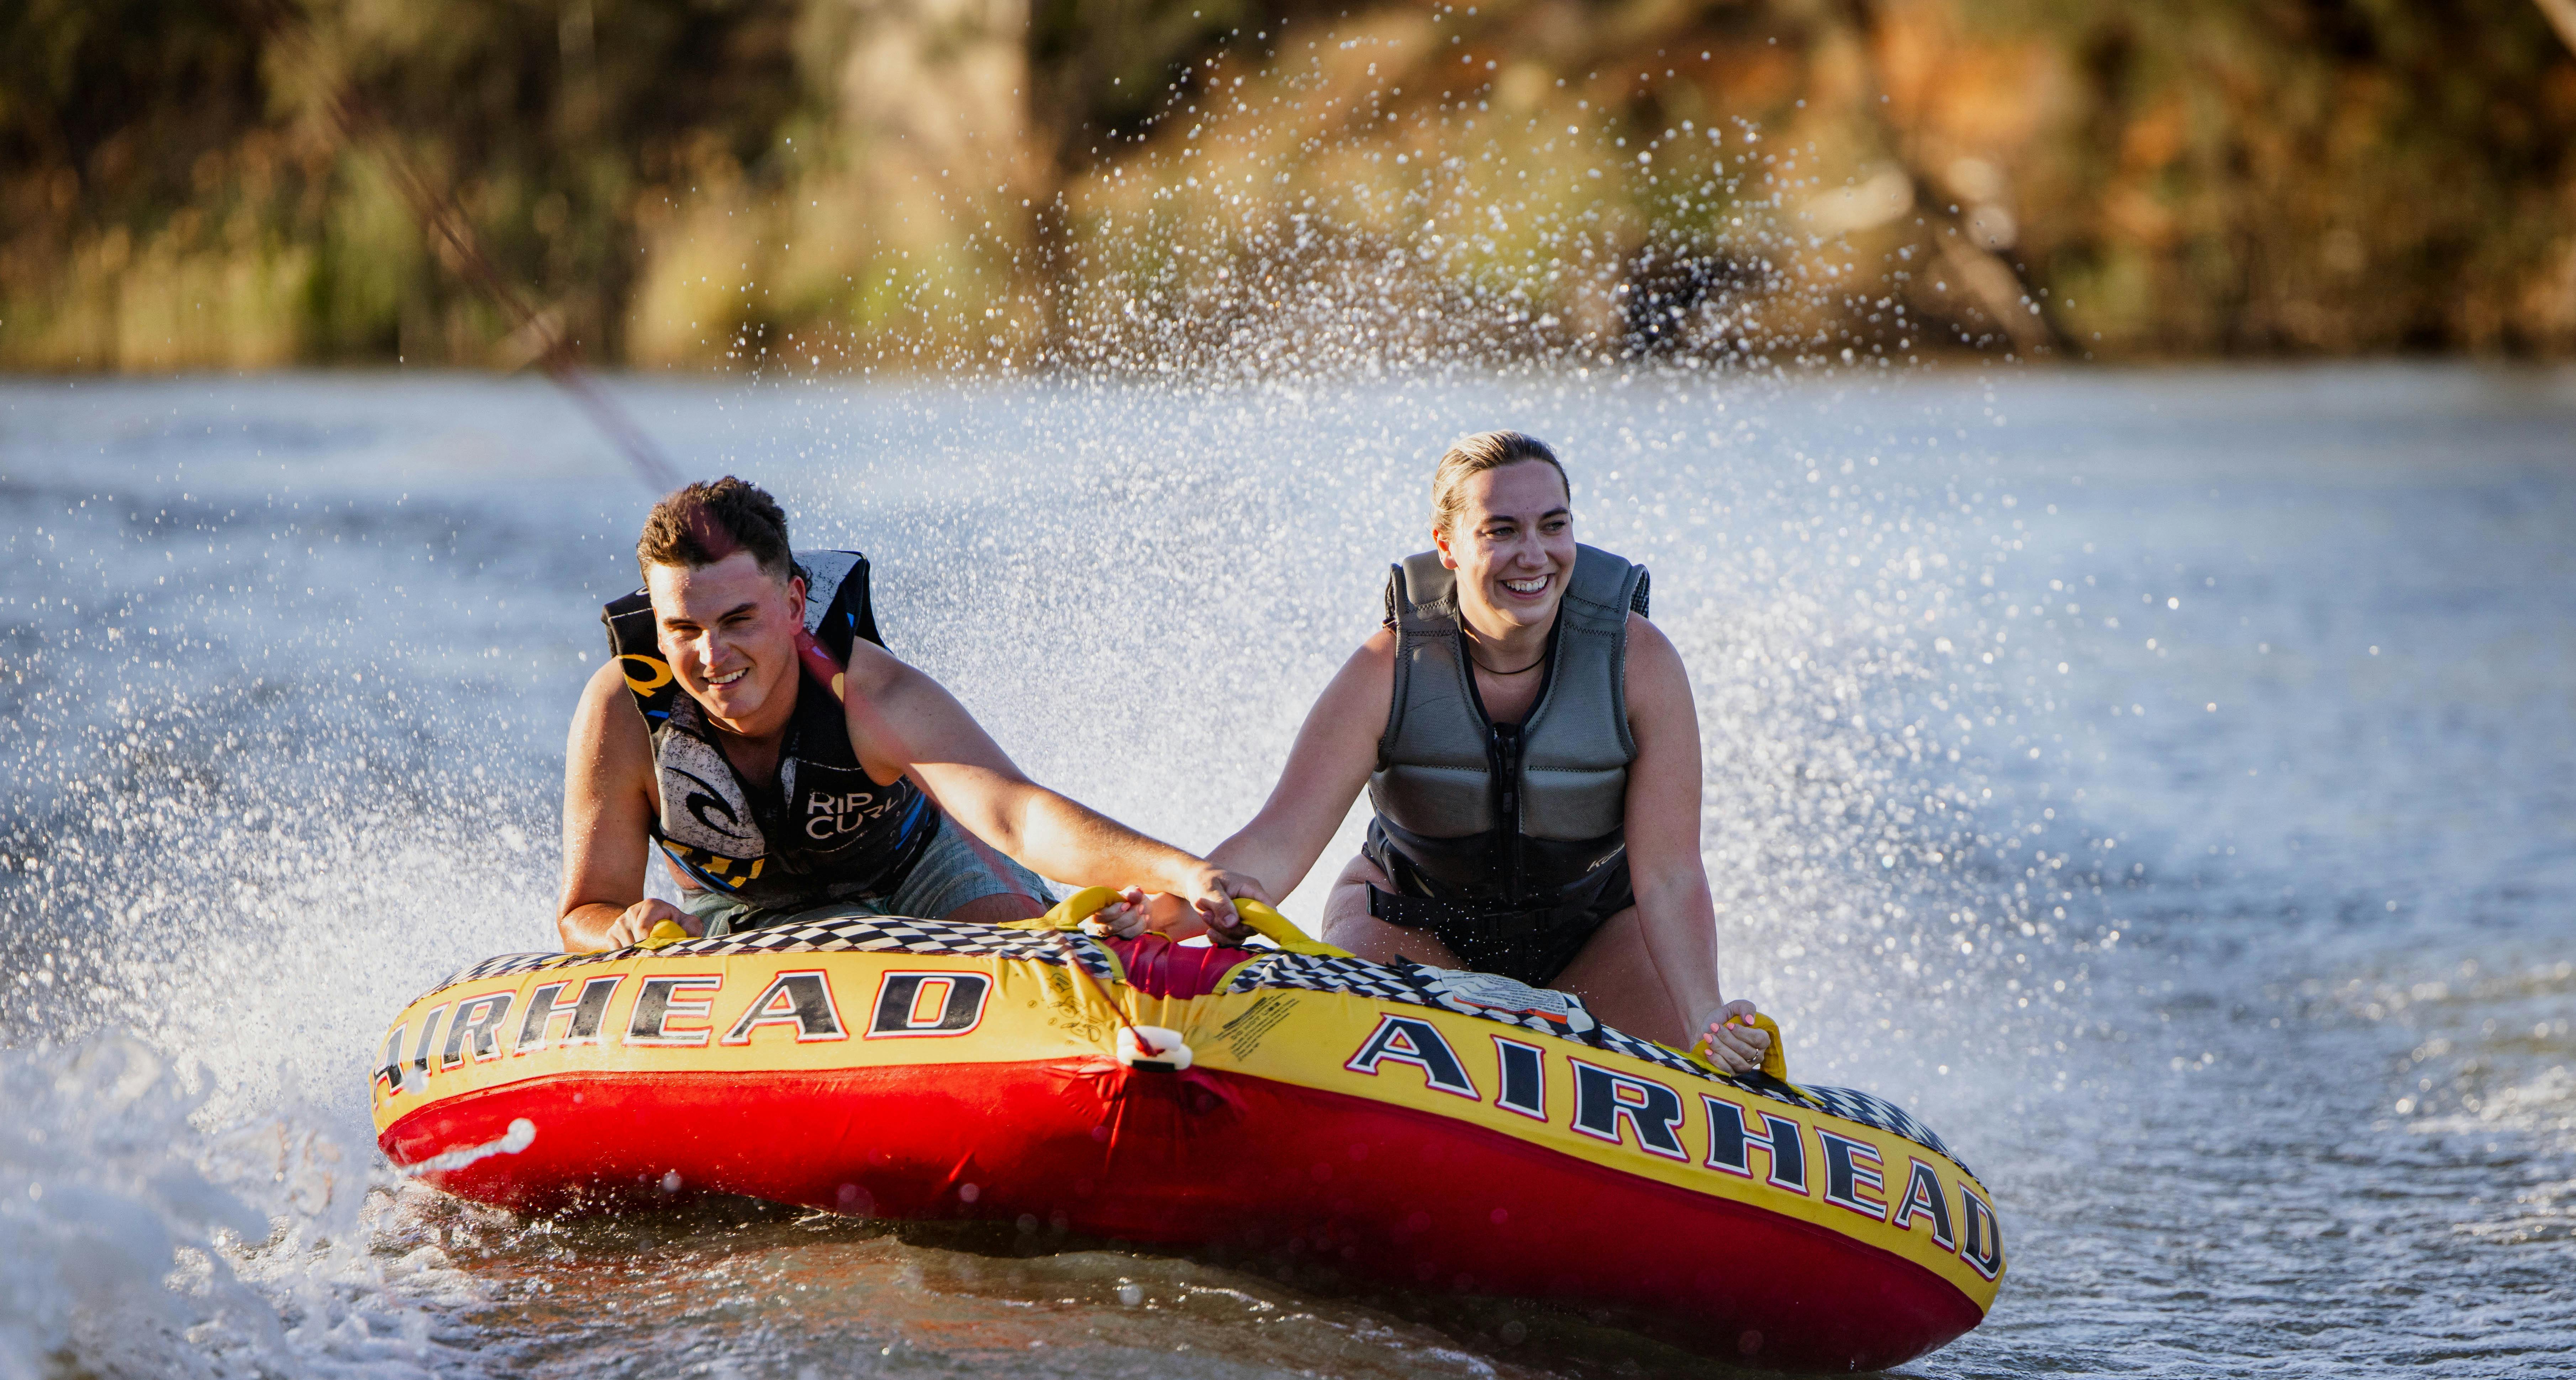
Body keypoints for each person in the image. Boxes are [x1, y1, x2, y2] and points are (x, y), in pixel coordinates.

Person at [1205, 431, 1772, 1075]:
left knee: (1683, 1056)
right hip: (1412, 924)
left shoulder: (1640, 663)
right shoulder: (1387, 668)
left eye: (1553, 526)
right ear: (1447, 546)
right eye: (1501, 531)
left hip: (1593, 938)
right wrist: (1167, 906)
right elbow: (1274, 845)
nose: (1533, 556)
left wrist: (1705, 1012)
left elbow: (1669, 874)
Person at [559, 477, 1253, 950]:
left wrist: (1181, 874)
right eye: (683, 628)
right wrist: (624, 927)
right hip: (738, 912)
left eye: (739, 619)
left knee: (1029, 945)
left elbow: (1017, 815)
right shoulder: (623, 711)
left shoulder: (871, 693)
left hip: (920, 867)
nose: (712, 654)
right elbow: (585, 909)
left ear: (795, 606)